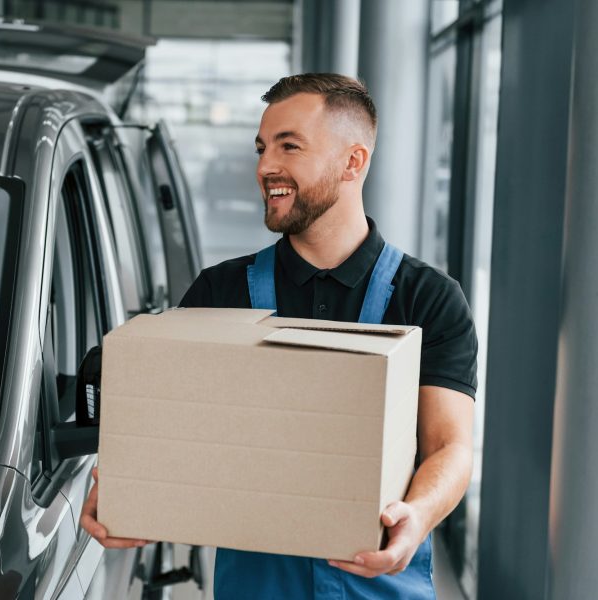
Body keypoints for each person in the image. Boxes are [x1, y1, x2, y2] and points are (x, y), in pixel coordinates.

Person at [81, 73, 477, 599]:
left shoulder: (428, 298)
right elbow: (170, 427)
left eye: (289, 146)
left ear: (353, 162)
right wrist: (126, 488)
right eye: (262, 148)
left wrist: (418, 514)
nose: (266, 166)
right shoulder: (219, 292)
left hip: (381, 585)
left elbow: (449, 446)